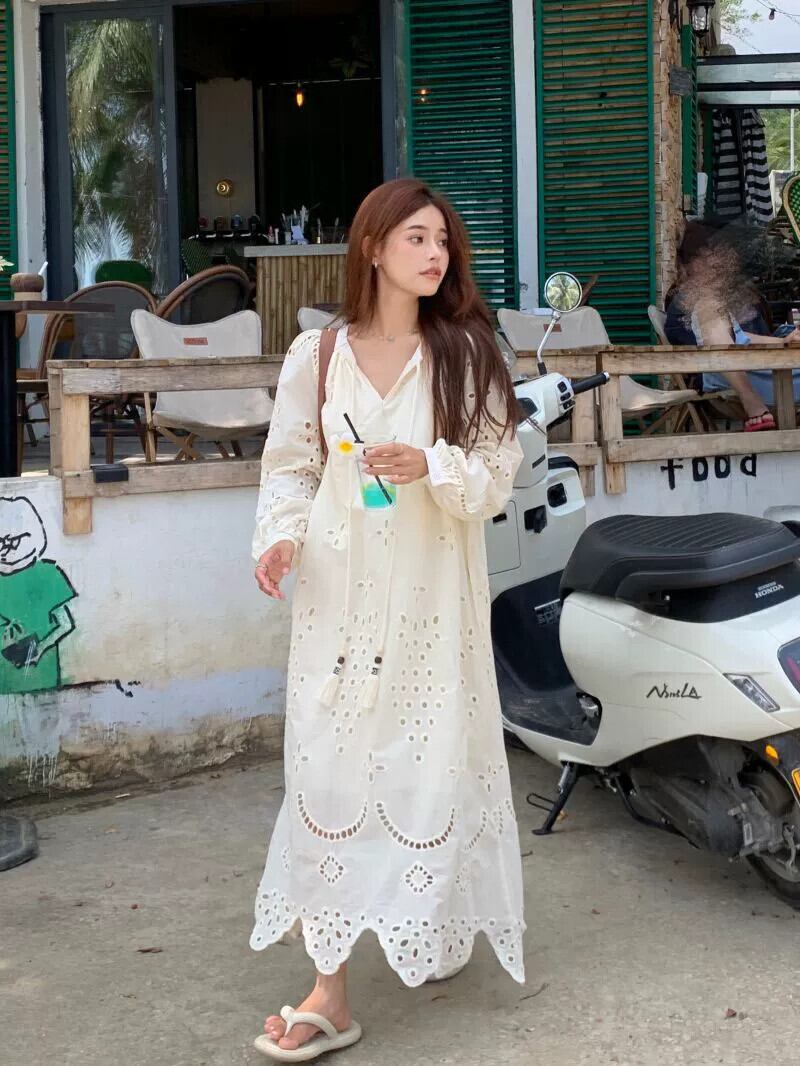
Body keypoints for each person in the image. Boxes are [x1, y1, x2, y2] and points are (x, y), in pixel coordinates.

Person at [249, 178, 526, 1060]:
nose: (435, 253)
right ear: (373, 247)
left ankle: (431, 922)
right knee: (326, 771)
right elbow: (290, 465)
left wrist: (432, 465)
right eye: (416, 237)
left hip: (432, 597)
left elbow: (496, 475)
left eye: (442, 239)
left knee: (431, 768)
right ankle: (329, 989)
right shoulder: (317, 355)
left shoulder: (468, 354)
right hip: (338, 596)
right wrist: (280, 537)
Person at [665, 219, 800, 431]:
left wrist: (783, 341)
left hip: (748, 372)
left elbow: (737, 337)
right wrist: (750, 398)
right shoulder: (702, 302)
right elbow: (720, 346)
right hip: (739, 381)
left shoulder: (705, 298)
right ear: (699, 262)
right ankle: (752, 401)